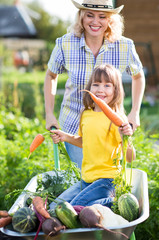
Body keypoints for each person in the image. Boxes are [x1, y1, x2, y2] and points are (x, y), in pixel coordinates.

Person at [44, 0, 145, 168]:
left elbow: (138, 76)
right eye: (89, 15)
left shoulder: (124, 46)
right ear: (81, 18)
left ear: (110, 20)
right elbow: (51, 76)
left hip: (111, 125)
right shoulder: (65, 44)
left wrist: (135, 112)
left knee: (110, 174)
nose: (95, 22)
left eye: (102, 16)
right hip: (74, 122)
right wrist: (49, 113)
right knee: (83, 174)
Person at [49, 64, 135, 209]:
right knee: (54, 207)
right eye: (96, 84)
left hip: (108, 179)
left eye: (107, 85)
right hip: (87, 179)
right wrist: (65, 137)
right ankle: (102, 205)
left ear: (116, 90)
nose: (100, 89)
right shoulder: (86, 113)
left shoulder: (118, 120)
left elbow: (130, 158)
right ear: (90, 87)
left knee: (72, 208)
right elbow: (85, 141)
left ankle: (116, 202)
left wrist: (126, 138)